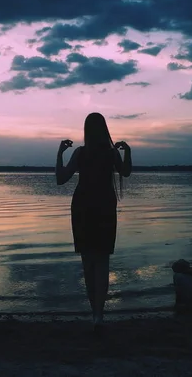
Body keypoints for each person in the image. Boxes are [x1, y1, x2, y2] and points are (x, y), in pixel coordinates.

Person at [55, 112, 132, 332]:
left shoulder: (81, 153)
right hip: (105, 208)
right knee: (102, 263)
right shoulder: (110, 154)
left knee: (88, 264)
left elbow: (61, 179)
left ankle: (94, 313)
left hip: (83, 209)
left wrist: (60, 153)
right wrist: (128, 152)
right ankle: (99, 314)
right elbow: (125, 172)